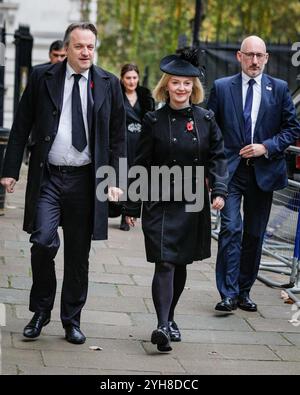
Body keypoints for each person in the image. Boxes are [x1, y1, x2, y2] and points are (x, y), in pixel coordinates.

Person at [0, 22, 126, 344]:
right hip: (49, 178)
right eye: (79, 46)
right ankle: (41, 311)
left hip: (86, 181)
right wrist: (10, 169)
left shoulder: (108, 83)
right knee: (42, 242)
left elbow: (117, 137)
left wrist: (116, 179)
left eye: (91, 47)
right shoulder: (44, 78)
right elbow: (21, 125)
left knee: (77, 256)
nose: (86, 52)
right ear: (67, 48)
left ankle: (71, 319)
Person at [125, 50, 228, 352]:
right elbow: (140, 164)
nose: (181, 89)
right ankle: (161, 325)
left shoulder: (206, 119)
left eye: (187, 83)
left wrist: (219, 190)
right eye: (176, 83)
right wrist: (132, 206)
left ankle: (170, 318)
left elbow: (218, 158)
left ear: (193, 87)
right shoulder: (153, 119)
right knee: (165, 262)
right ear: (166, 85)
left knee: (180, 262)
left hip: (192, 200)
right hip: (158, 200)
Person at [207, 35, 300, 312]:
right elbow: (211, 131)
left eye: (259, 55)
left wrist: (266, 147)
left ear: (267, 58)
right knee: (231, 229)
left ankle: (244, 291)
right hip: (231, 173)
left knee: (254, 234)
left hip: (264, 173)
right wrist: (211, 170)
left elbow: (292, 129)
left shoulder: (279, 89)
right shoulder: (222, 88)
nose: (255, 61)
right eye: (249, 55)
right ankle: (227, 292)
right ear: (239, 56)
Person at [118, 63, 154, 231]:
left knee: (136, 175)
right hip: (122, 140)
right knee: (122, 175)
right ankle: (123, 214)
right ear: (122, 78)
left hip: (140, 141)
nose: (131, 81)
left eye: (134, 78)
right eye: (128, 78)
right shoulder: (116, 95)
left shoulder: (145, 96)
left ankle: (130, 212)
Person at [24, 41, 66, 165]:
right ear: (50, 55)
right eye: (56, 55)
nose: (59, 59)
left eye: (62, 56)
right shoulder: (37, 72)